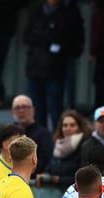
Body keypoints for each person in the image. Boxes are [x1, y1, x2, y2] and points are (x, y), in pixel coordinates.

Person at [23, 0, 85, 130]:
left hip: (56, 68)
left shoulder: (69, 13)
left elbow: (76, 41)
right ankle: (41, 141)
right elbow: (26, 36)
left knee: (55, 109)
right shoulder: (36, 10)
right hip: (35, 67)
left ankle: (57, 143)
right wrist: (46, 39)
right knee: (37, 110)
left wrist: (60, 49)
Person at [36, 109, 91, 191]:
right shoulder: (57, 146)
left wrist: (56, 179)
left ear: (80, 127)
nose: (68, 129)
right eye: (65, 125)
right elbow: (49, 168)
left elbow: (83, 178)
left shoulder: (85, 147)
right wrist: (43, 176)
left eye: (72, 125)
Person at [11, 94, 53, 174]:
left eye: (25, 107)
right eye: (17, 108)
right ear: (12, 112)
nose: (21, 111)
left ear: (33, 110)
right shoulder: (9, 133)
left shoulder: (44, 134)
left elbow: (44, 164)